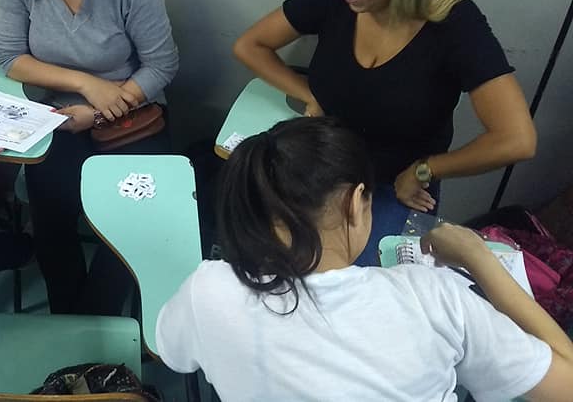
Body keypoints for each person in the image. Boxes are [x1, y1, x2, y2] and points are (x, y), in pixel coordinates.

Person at [156, 117, 573, 401]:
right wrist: (478, 256)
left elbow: (172, 353)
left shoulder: (207, 291)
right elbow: (566, 385)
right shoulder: (438, 298)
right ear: (355, 203)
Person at [232, 0, 536, 266]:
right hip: (323, 170)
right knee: (262, 257)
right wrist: (308, 92)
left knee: (358, 287)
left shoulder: (456, 25)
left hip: (396, 187)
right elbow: (250, 45)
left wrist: (426, 169)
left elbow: (517, 140)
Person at [0, 0, 179, 314]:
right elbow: (10, 56)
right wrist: (84, 83)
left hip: (130, 116)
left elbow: (162, 65)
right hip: (57, 118)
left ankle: (97, 323)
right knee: (50, 210)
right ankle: (68, 318)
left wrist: (96, 111)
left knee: (132, 218)